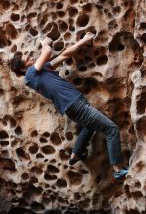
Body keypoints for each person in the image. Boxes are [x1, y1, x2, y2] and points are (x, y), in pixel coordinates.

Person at [10, 32, 128, 179]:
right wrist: (45, 44)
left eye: (28, 56)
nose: (31, 57)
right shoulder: (30, 75)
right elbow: (47, 51)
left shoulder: (41, 70)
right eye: (27, 59)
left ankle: (76, 153)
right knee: (111, 129)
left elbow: (64, 55)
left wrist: (83, 42)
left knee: (89, 126)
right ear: (22, 68)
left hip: (73, 106)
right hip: (75, 104)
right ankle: (117, 168)